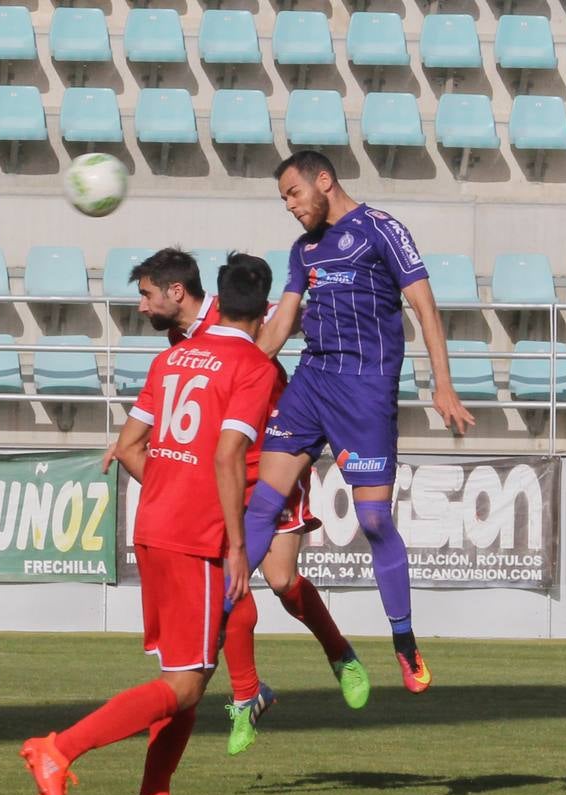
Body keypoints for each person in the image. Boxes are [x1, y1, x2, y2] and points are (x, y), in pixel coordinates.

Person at [20, 253, 277, 795]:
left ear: (215, 297)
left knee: (189, 677)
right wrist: (237, 544)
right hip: (196, 538)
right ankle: (59, 749)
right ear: (263, 309)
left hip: (154, 525)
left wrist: (171, 486)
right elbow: (228, 454)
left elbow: (129, 446)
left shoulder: (173, 358)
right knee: (184, 683)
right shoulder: (253, 366)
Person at [103, 248, 370, 757]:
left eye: (146, 295)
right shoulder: (181, 343)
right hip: (219, 477)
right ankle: (248, 694)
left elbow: (277, 331)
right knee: (229, 589)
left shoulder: (237, 313)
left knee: (282, 580)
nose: (141, 306)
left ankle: (340, 654)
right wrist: (136, 444)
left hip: (269, 461)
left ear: (176, 292)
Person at [242, 150, 476, 693]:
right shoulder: (303, 250)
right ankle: (218, 608)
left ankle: (404, 642)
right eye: (284, 199)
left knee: (373, 520)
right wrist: (233, 371)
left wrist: (442, 383)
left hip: (366, 390)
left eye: (293, 193)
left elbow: (425, 307)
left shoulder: (381, 229)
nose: (290, 206)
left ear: (324, 180)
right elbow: (277, 331)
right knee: (263, 506)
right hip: (311, 384)